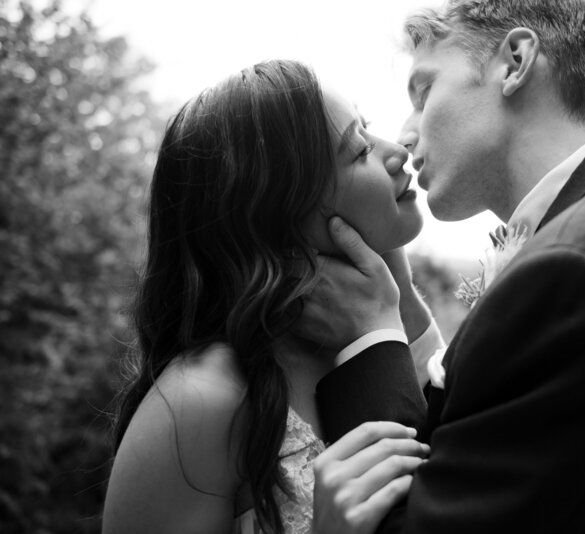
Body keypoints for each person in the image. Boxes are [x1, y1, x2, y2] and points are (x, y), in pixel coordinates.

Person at [304, 0, 585, 532]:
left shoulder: (581, 273)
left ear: (515, 63)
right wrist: (401, 310)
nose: (404, 134)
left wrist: (369, 333)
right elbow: (487, 438)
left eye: (424, 91)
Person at [102, 59, 441, 534]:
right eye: (360, 150)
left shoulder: (375, 331)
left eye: (369, 129)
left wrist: (397, 299)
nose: (398, 150)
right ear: (279, 216)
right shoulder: (200, 401)